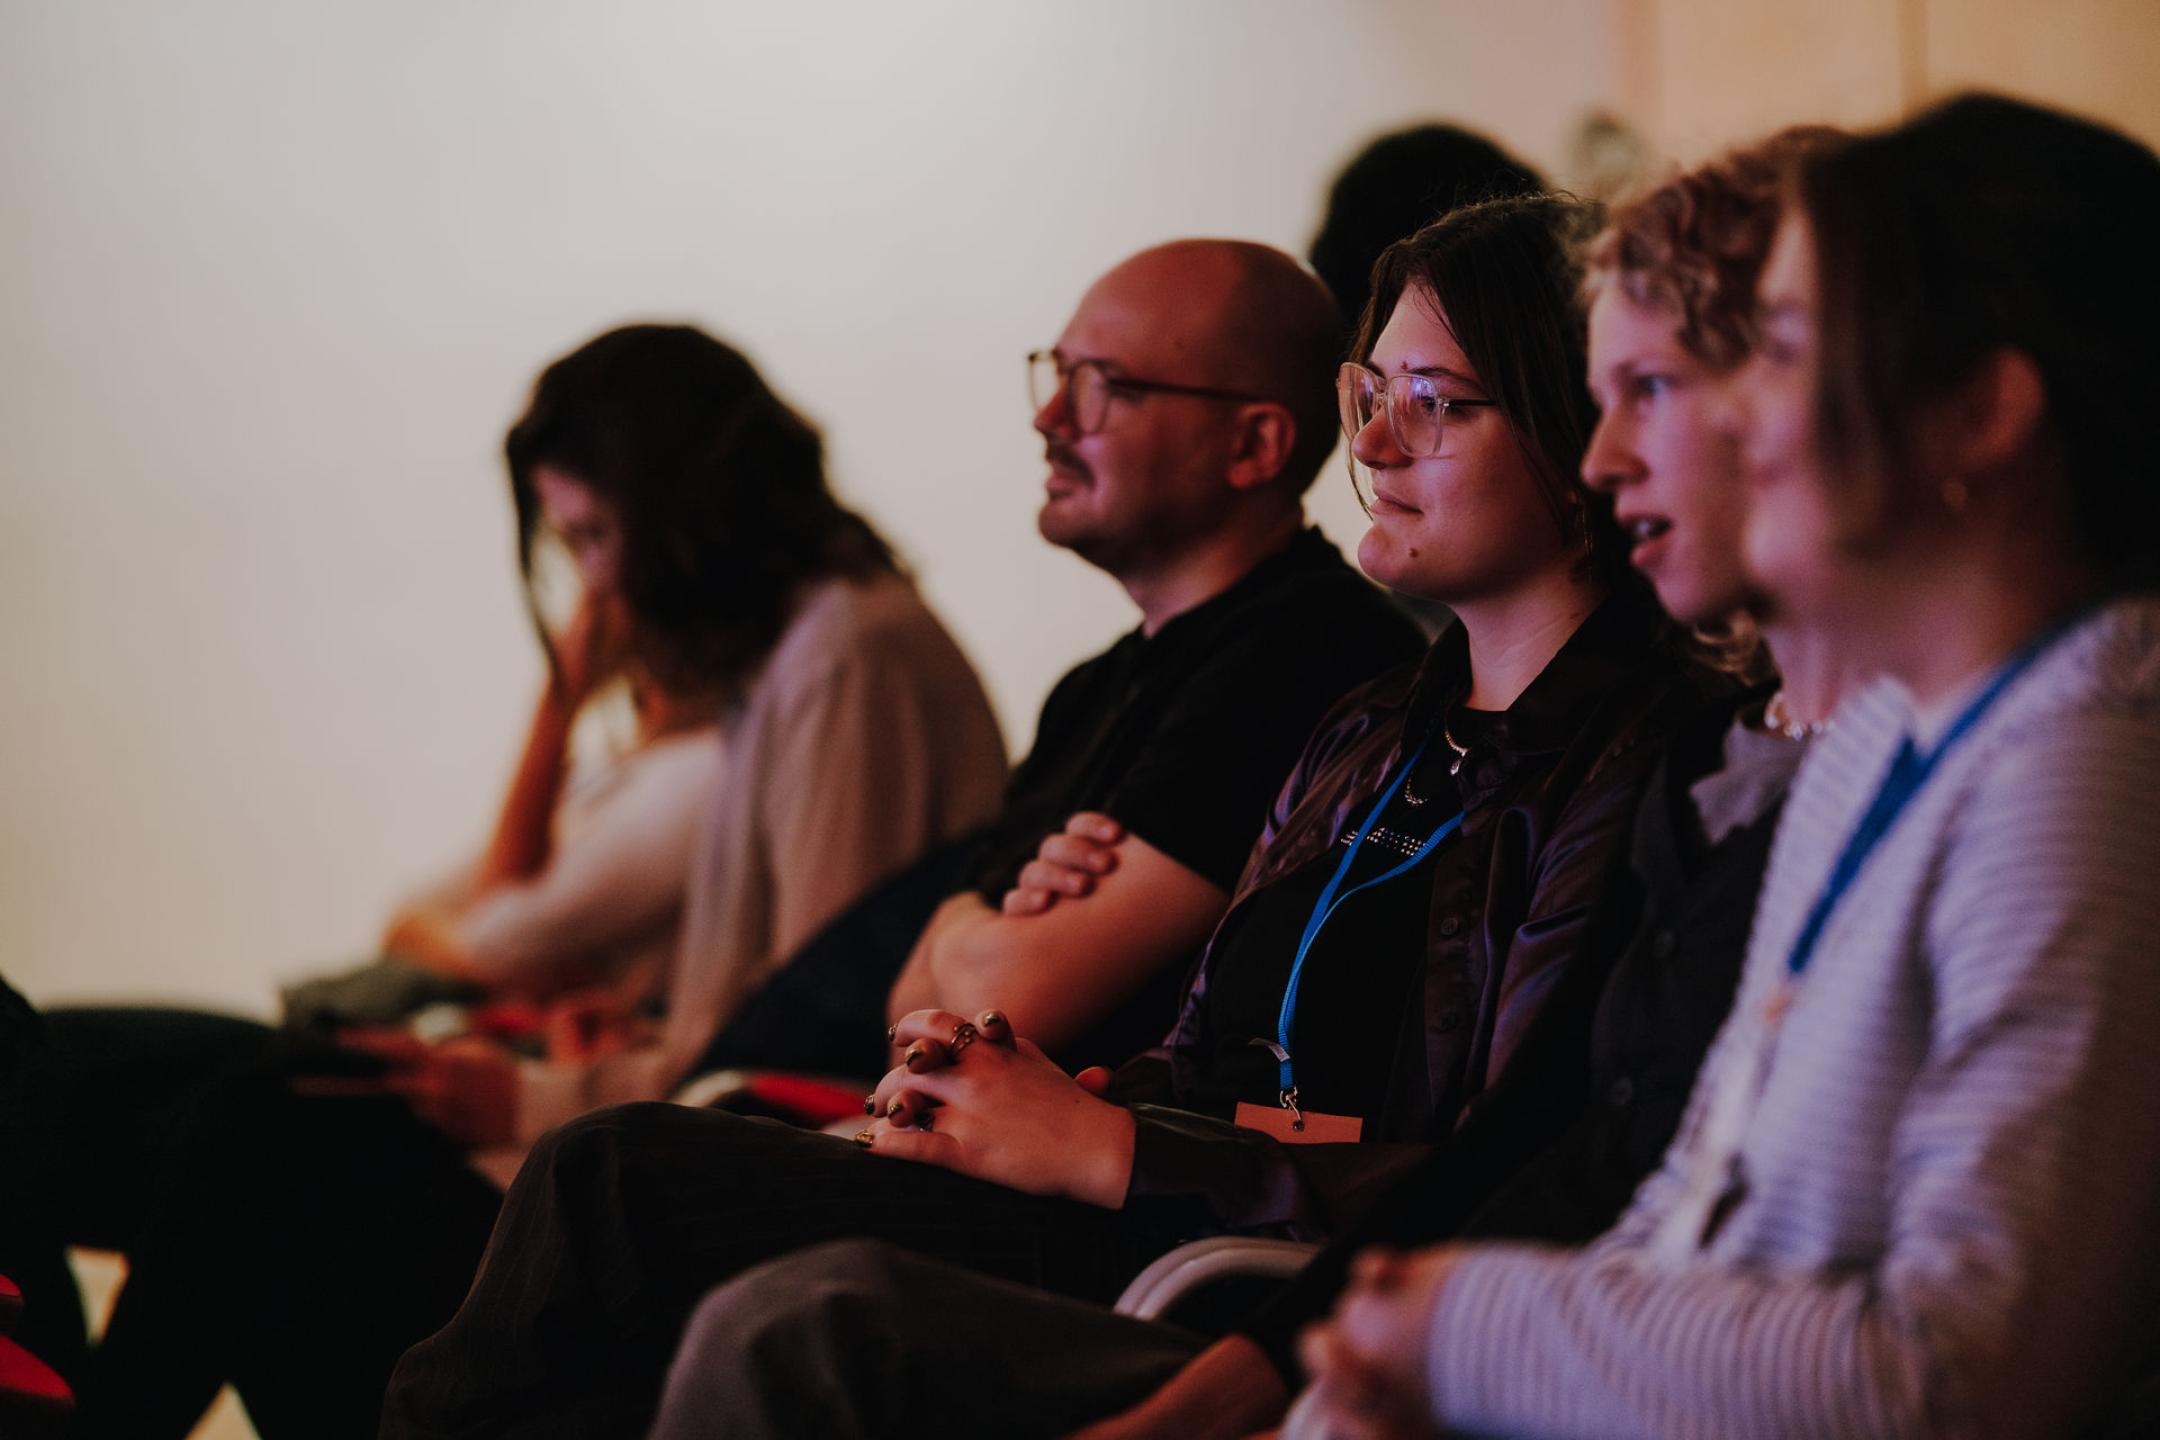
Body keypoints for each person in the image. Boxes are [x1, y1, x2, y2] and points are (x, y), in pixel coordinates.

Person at [380, 192, 1715, 1440]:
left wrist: (1115, 1144)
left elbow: (1507, 1166)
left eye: (1432, 404)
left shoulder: (1640, 759)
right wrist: (1024, 1086)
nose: (1369, 444)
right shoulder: (1371, 724)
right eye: (1371, 395)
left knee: (644, 1208)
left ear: (1578, 435)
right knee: (602, 1187)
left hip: (1243, 1269)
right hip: (1165, 1201)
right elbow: (1195, 1050)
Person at [1293, 93, 2160, 1440]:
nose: (1732, 420)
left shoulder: (2083, 779)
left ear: (1981, 414)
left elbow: (1954, 1383)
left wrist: (1468, 1331)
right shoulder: (1880, 741)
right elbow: (1687, 1209)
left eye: (1785, 351)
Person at [60, 323, 1012, 1440]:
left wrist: (543, 1097)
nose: (595, 590)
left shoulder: (846, 658)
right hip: (668, 1129)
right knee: (263, 1139)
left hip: (710, 1192)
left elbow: (801, 1063)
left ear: (692, 514)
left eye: (600, 538)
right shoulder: (804, 656)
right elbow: (762, 1012)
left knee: (262, 1137)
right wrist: (629, 1034)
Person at [694, 239, 1426, 1086]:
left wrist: (960, 929)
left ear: (1253, 445)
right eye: (1059, 373)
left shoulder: (1311, 651)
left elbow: (1005, 999)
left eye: (1105, 385)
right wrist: (983, 934)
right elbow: (910, 1018)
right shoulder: (1091, 688)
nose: (1050, 419)